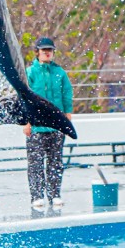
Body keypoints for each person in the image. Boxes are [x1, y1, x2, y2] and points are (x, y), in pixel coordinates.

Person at [23, 38, 74, 214]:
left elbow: (67, 92)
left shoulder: (59, 73)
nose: (47, 53)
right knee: (35, 163)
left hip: (56, 125)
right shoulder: (30, 72)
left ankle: (54, 194)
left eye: (50, 50)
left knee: (55, 162)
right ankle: (37, 195)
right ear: (37, 52)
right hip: (37, 126)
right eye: (44, 50)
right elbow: (24, 98)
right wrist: (26, 122)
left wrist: (68, 114)